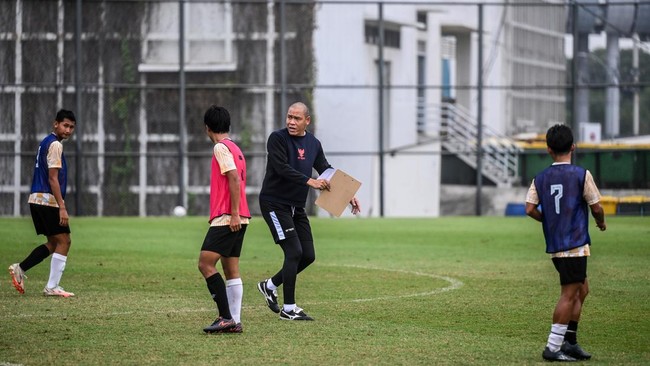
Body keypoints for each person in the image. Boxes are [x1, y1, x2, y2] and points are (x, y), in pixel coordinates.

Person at [256, 102, 361, 321]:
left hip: (296, 206)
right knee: (293, 252)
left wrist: (347, 194)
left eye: (296, 118)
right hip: (275, 203)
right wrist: (310, 181)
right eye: (289, 117)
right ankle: (289, 309)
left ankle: (269, 285)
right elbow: (281, 168)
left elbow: (325, 168)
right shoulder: (277, 138)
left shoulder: (313, 143)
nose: (291, 122)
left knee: (308, 255)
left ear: (307, 121)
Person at [525, 124, 606, 362]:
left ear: (549, 149)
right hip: (574, 244)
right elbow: (597, 207)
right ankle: (553, 347)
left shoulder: (539, 178)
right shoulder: (582, 175)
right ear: (573, 147)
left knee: (582, 289)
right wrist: (600, 223)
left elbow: (529, 208)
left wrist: (548, 220)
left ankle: (570, 341)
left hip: (557, 245)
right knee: (569, 294)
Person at [8, 109, 77, 298]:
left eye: (72, 127)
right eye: (65, 125)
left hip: (36, 199)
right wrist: (61, 206)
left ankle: (20, 269)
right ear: (55, 124)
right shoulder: (55, 145)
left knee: (54, 243)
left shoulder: (45, 142)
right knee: (65, 241)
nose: (68, 130)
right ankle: (52, 287)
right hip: (48, 200)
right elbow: (53, 178)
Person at [198, 105, 250, 334]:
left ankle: (225, 317)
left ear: (207, 128)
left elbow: (233, 179)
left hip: (228, 217)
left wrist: (234, 213)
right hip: (241, 216)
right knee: (232, 270)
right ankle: (234, 321)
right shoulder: (235, 147)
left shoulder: (220, 147)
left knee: (205, 264)